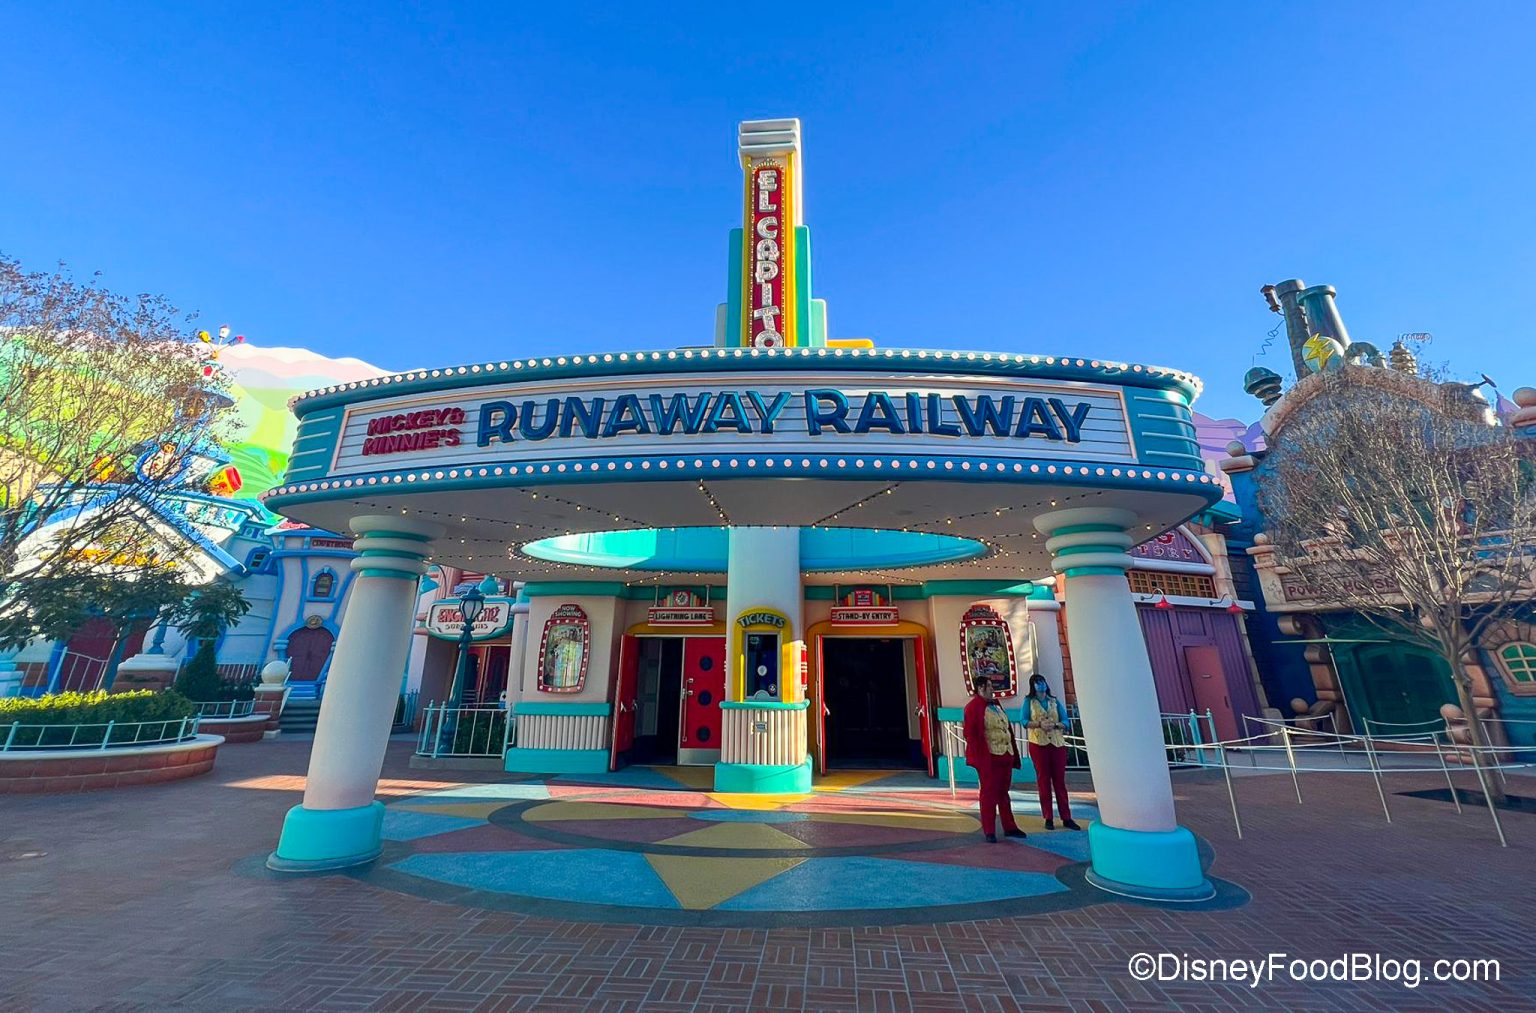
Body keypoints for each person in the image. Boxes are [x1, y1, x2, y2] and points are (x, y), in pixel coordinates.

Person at [962, 675, 1026, 843]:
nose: (992, 689)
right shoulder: (972, 707)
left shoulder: (996, 705)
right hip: (989, 757)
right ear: (980, 688)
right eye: (989, 686)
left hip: (1005, 754)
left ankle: (1009, 826)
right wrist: (981, 759)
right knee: (989, 793)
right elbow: (971, 735)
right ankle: (989, 829)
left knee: (1003, 793)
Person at [1024, 675, 1081, 830]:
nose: (1041, 685)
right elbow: (1023, 721)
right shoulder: (1029, 702)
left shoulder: (1054, 702)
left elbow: (1066, 721)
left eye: (1042, 682)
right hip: (1039, 743)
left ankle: (1066, 817)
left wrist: (1056, 725)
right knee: (1043, 780)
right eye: (1037, 683)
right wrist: (1038, 724)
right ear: (1033, 686)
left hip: (1057, 744)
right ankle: (1048, 816)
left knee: (1059, 781)